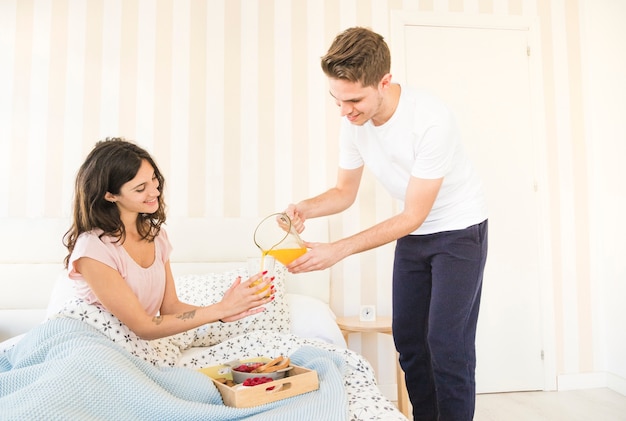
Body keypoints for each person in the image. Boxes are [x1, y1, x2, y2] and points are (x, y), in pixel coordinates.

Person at [285, 27, 488, 421]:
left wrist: (337, 250)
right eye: (337, 100)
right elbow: (344, 192)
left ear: (385, 82)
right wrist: (305, 208)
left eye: (355, 100)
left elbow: (414, 214)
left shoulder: (431, 120)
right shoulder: (353, 122)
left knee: (447, 345)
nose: (345, 111)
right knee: (411, 343)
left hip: (458, 232)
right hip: (414, 234)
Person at [63, 138, 274, 341]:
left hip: (132, 346)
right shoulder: (93, 248)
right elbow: (143, 326)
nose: (154, 191)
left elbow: (170, 307)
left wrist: (221, 312)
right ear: (110, 195)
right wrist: (219, 309)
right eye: (140, 188)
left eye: (154, 179)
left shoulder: (156, 236)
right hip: (91, 342)